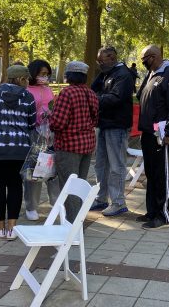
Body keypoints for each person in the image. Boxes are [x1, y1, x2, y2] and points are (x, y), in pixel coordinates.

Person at [0, 64, 36, 240]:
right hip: (19, 149)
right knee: (15, 186)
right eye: (27, 79)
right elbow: (32, 123)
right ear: (21, 79)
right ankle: (12, 229)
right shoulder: (28, 96)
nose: (28, 82)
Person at [136, 45, 169, 230]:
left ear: (154, 56)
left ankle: (164, 216)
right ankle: (152, 212)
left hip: (162, 135)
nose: (143, 63)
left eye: (144, 59)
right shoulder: (152, 73)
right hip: (148, 132)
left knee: (162, 175)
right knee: (151, 174)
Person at [49, 61, 99, 222]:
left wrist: (49, 118)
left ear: (69, 75)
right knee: (80, 186)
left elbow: (58, 123)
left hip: (68, 146)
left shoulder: (67, 93)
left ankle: (72, 226)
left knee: (69, 187)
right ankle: (79, 222)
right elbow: (95, 119)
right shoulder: (91, 93)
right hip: (87, 145)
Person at [90, 46, 135, 216]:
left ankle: (118, 202)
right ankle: (101, 198)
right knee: (100, 164)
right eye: (98, 61)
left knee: (116, 165)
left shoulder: (123, 74)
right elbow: (92, 89)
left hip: (117, 125)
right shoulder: (106, 73)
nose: (99, 64)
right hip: (103, 123)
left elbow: (116, 98)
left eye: (101, 61)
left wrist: (94, 99)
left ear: (112, 57)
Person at [23, 59, 60, 221]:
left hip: (50, 134)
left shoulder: (48, 89)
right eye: (42, 74)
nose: (44, 77)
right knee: (33, 171)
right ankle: (31, 206)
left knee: (52, 169)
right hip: (34, 134)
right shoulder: (26, 91)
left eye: (47, 74)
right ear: (33, 74)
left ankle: (57, 203)